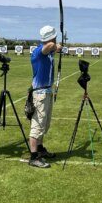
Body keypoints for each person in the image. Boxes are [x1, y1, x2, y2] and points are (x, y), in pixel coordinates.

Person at [28, 25, 60, 168]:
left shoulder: (48, 53)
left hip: (47, 91)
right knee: (37, 125)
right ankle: (34, 157)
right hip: (40, 93)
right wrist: (55, 44)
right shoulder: (39, 52)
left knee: (44, 124)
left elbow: (52, 48)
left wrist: (56, 47)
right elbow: (50, 46)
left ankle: (40, 150)